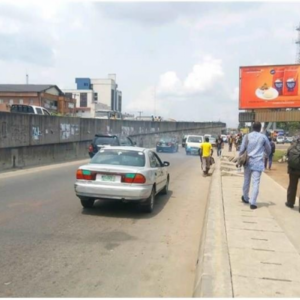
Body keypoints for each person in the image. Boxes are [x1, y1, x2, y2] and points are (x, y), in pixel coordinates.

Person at [240, 122, 271, 210]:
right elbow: (269, 149)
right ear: (260, 128)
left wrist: (240, 158)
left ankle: (245, 198)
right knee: (256, 182)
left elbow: (242, 149)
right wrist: (266, 155)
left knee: (246, 180)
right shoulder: (263, 137)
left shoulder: (247, 136)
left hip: (247, 162)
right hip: (258, 162)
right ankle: (253, 202)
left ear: (252, 128)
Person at [286, 137, 300, 209]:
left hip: (293, 169)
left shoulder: (292, 146)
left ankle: (290, 202)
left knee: (292, 186)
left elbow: (287, 155)